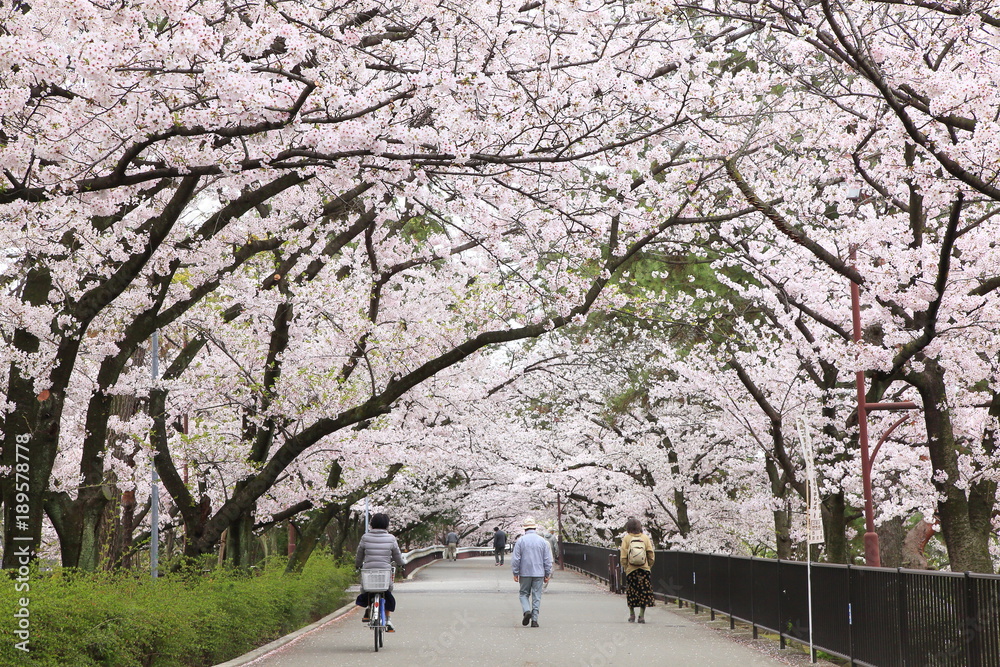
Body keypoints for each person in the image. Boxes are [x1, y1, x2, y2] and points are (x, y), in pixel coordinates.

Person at [355, 513, 406, 632]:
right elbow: (397, 556)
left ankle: (368, 609)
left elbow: (359, 555)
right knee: (386, 591)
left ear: (372, 524)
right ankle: (388, 619)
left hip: (368, 570)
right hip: (384, 571)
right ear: (386, 525)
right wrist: (401, 564)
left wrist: (357, 565)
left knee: (368, 588)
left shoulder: (365, 537)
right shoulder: (391, 538)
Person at [511, 516, 552, 628]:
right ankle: (534, 620)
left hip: (524, 572)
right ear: (534, 528)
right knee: (536, 595)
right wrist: (547, 573)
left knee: (523, 594)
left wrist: (515, 573)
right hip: (539, 572)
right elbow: (547, 560)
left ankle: (526, 610)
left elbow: (516, 559)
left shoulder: (520, 541)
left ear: (525, 529)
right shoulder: (542, 541)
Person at [619, 517, 655, 624]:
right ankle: (642, 615)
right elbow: (651, 554)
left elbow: (623, 556)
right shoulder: (645, 537)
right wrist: (648, 566)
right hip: (644, 569)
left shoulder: (626, 538)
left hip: (631, 570)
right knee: (643, 592)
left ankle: (631, 614)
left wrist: (626, 567)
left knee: (632, 592)